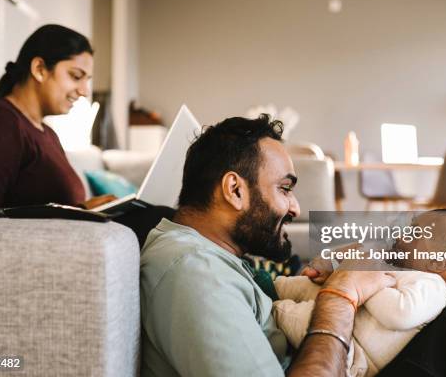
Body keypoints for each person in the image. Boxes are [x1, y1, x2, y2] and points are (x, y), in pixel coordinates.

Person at [139, 115, 396, 377]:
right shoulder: (197, 273)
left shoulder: (208, 257)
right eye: (285, 189)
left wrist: (329, 276)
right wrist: (340, 296)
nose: (296, 208)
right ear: (235, 190)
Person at [272, 209, 446, 376]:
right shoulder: (399, 267)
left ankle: (270, 303)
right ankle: (275, 285)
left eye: (414, 233)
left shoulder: (432, 287)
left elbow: (400, 313)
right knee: (306, 286)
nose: (402, 234)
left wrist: (364, 283)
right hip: (351, 318)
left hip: (352, 356)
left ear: (438, 262)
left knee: (290, 313)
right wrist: (339, 265)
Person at [0, 24, 101, 209]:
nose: (84, 91)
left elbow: (43, 209)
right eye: (76, 76)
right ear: (39, 69)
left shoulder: (48, 135)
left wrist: (86, 210)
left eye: (87, 80)